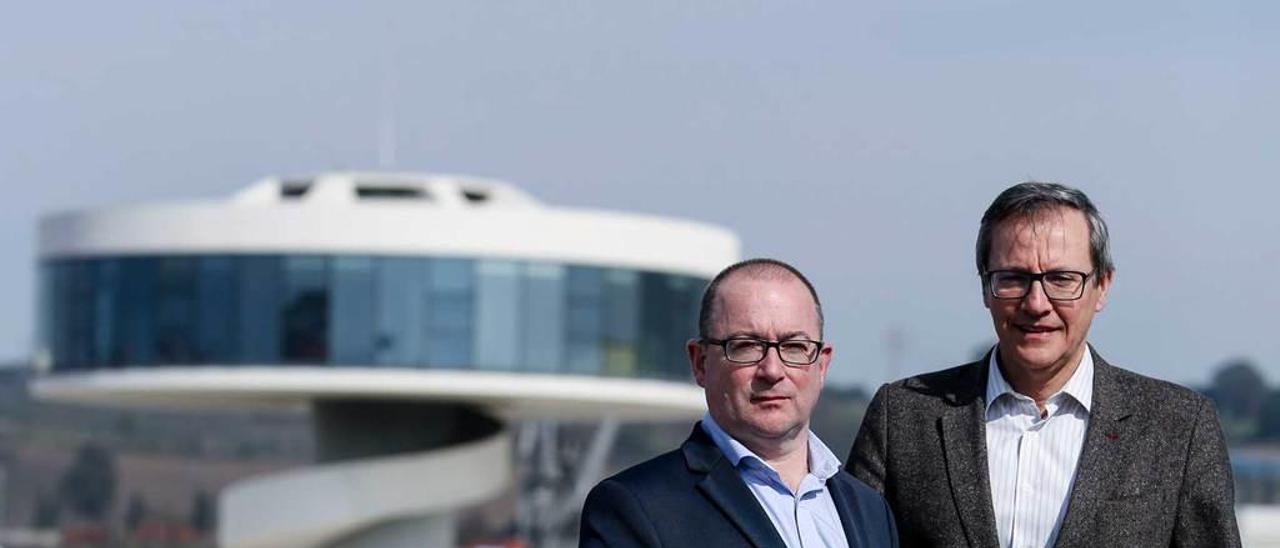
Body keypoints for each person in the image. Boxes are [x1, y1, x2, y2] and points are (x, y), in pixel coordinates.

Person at [848, 182, 1241, 547]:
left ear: (1102, 286)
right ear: (986, 287)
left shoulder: (1179, 428)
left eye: (1062, 279)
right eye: (1014, 278)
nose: (1037, 303)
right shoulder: (901, 418)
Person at [580, 258, 898, 548]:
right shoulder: (636, 506)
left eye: (794, 346)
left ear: (821, 364)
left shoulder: (870, 510)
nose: (772, 370)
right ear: (700, 362)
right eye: (746, 346)